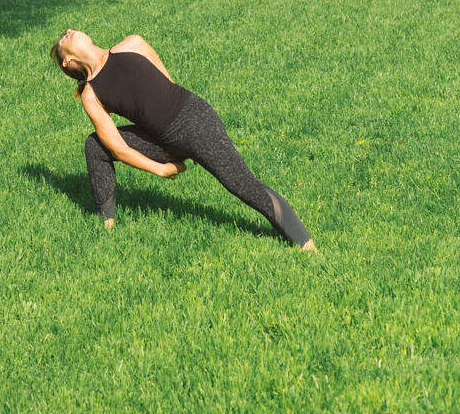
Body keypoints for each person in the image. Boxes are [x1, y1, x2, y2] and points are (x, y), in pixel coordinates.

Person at [51, 28, 316, 249]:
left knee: (242, 185)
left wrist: (200, 142)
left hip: (195, 123)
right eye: (64, 36)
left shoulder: (132, 44)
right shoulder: (91, 95)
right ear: (67, 61)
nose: (70, 31)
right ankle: (104, 227)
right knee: (95, 145)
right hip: (161, 141)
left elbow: (168, 83)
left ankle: (306, 245)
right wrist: (160, 169)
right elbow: (117, 147)